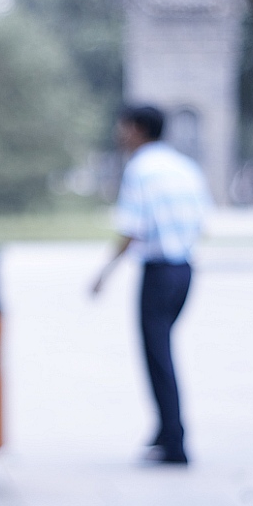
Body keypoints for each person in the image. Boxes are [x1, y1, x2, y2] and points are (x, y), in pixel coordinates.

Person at [91, 105, 210, 465]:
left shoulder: (140, 169)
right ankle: (165, 430)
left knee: (158, 357)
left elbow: (132, 229)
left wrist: (103, 273)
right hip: (186, 269)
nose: (119, 134)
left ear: (139, 129)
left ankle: (175, 442)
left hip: (158, 272)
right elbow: (204, 221)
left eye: (123, 127)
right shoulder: (184, 167)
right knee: (163, 351)